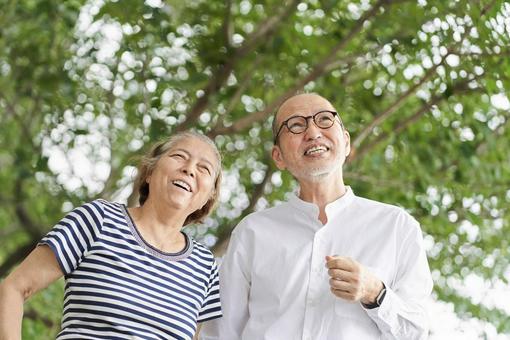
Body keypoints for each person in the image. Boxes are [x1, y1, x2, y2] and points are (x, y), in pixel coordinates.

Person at [200, 93, 433, 340]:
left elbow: (416, 332)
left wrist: (375, 293)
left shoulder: (397, 227)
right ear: (278, 157)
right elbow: (221, 334)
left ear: (346, 142)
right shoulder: (252, 232)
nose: (312, 132)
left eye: (324, 119)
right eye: (296, 125)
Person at [0, 131, 223, 340]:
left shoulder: (205, 266)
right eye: (179, 156)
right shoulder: (99, 219)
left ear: (209, 196)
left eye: (204, 169)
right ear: (149, 172)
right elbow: (13, 289)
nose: (190, 169)